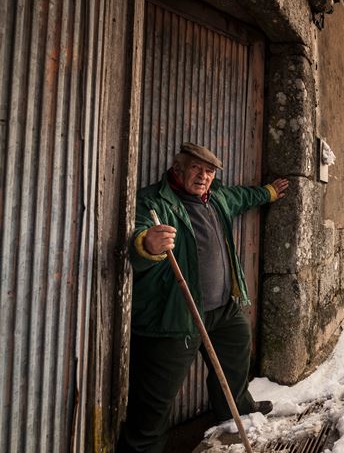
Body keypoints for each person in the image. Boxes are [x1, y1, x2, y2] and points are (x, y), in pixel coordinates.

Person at [118, 142, 289, 452]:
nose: (203, 176)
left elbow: (243, 197)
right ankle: (142, 446)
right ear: (178, 167)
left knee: (237, 350)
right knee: (155, 397)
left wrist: (269, 193)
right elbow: (135, 243)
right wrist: (148, 244)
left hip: (222, 309)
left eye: (209, 171)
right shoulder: (153, 201)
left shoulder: (217, 198)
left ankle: (236, 411)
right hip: (176, 315)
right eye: (196, 168)